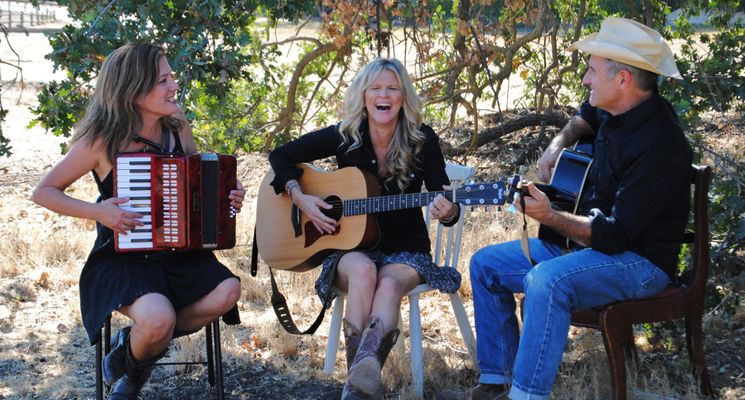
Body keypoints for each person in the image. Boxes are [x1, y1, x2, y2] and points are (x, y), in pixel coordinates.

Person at [438, 17, 692, 400]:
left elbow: (616, 235)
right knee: (486, 265)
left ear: (622, 80)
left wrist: (551, 217)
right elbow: (584, 117)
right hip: (588, 246)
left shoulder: (659, 144)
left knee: (547, 280)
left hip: (638, 262)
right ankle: (496, 382)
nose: (585, 80)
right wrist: (557, 144)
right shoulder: (612, 105)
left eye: (591, 71)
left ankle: (524, 395)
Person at [32, 43, 244, 399]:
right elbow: (44, 192)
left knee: (229, 291)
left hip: (180, 253)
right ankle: (137, 370)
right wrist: (99, 211)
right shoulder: (101, 140)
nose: (174, 86)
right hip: (124, 256)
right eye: (163, 80)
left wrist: (227, 193)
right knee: (159, 318)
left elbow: (200, 182)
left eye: (172, 77)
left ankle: (134, 350)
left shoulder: (178, 129)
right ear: (134, 88)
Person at [268, 58, 461, 399]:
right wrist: (301, 199)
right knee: (363, 273)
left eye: (392, 88)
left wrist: (447, 212)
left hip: (407, 249)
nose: (383, 95)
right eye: (375, 88)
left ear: (403, 97)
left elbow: (445, 199)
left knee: (387, 284)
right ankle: (363, 379)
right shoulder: (345, 136)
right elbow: (280, 156)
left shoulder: (422, 139)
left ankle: (357, 385)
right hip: (353, 247)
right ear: (364, 95)